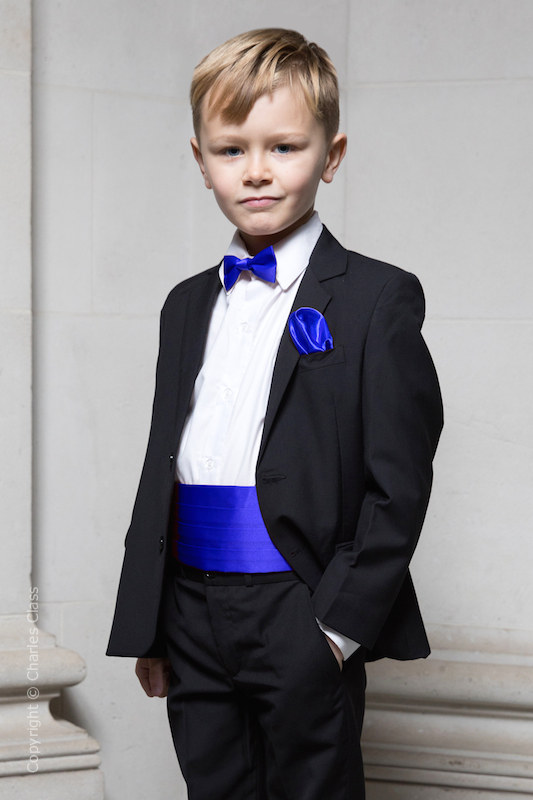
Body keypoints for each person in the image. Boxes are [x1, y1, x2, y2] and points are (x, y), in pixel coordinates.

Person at [107, 27, 443, 800]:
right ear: (200, 161)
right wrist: (151, 622)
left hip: (299, 602)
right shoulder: (185, 303)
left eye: (285, 148)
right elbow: (166, 458)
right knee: (213, 785)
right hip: (189, 603)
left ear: (331, 155)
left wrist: (334, 631)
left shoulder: (375, 299)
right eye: (231, 151)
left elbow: (399, 482)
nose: (256, 171)